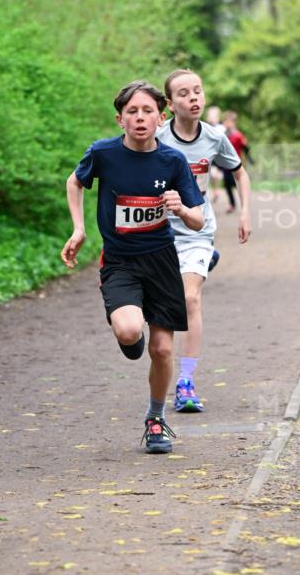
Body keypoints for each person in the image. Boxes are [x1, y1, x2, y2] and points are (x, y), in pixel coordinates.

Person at [61, 80, 204, 453]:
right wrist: (79, 229)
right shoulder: (103, 154)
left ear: (162, 117)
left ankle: (155, 420)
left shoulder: (173, 161)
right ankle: (127, 326)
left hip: (161, 260)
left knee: (161, 350)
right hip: (120, 260)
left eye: (147, 112)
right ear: (120, 119)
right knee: (128, 332)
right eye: (132, 112)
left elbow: (198, 222)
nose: (140, 118)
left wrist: (181, 208)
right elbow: (74, 184)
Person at [158, 69, 251, 413]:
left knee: (189, 299)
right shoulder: (155, 137)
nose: (193, 98)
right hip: (158, 231)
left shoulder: (214, 137)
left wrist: (244, 213)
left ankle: (186, 382)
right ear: (169, 104)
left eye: (197, 91)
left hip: (197, 228)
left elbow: (239, 172)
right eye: (183, 93)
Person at [222, 110, 251, 213]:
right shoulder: (222, 135)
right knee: (227, 185)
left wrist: (250, 159)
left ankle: (244, 205)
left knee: (239, 184)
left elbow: (246, 147)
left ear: (234, 123)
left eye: (230, 122)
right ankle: (232, 204)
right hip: (226, 166)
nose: (228, 124)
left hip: (236, 165)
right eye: (226, 121)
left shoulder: (238, 135)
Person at [203, 105, 225, 206]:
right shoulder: (204, 127)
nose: (212, 117)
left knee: (216, 175)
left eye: (214, 115)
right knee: (210, 175)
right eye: (210, 115)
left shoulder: (221, 128)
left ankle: (216, 191)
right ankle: (214, 192)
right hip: (209, 155)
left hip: (219, 155)